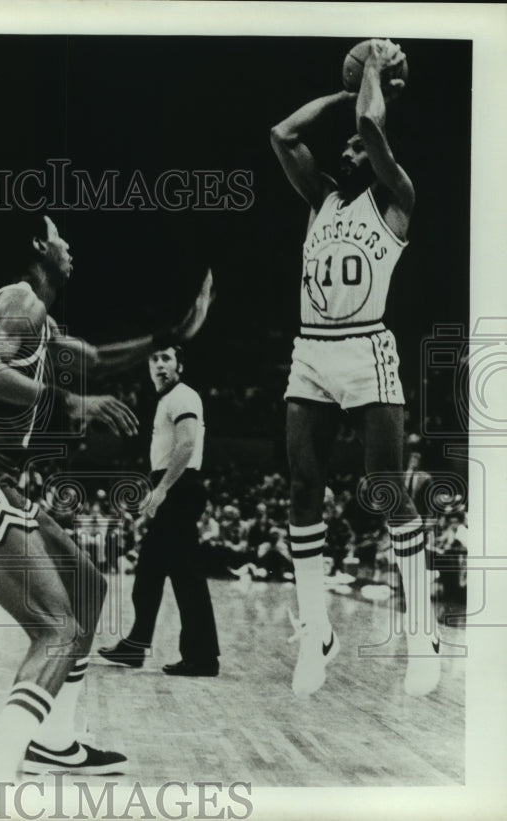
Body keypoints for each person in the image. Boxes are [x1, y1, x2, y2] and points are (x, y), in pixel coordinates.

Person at [0, 214, 212, 783]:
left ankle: (54, 742)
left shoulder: (40, 321)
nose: (69, 247)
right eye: (61, 238)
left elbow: (99, 360)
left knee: (87, 588)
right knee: (57, 627)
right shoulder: (22, 299)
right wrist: (72, 404)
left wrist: (168, 335)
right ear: (38, 246)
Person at [270, 38, 439, 695]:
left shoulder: (396, 196)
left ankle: (420, 632)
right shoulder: (320, 201)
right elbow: (281, 134)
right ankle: (316, 629)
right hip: (312, 347)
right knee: (303, 485)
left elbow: (371, 128)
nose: (344, 149)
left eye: (354, 148)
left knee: (385, 490)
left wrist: (372, 72)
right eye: (340, 147)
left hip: (368, 347)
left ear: (373, 157)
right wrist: (345, 91)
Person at [98, 341, 220, 676]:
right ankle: (137, 647)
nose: (159, 364)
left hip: (179, 490)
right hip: (173, 489)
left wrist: (162, 489)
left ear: (180, 365)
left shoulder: (183, 396)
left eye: (166, 358)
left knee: (186, 577)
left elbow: (187, 442)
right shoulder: (168, 399)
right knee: (151, 573)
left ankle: (202, 657)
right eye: (154, 359)